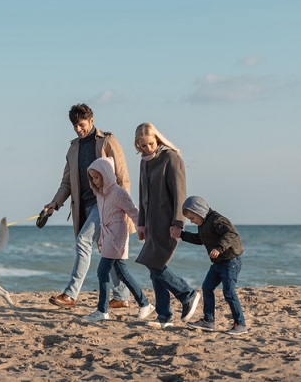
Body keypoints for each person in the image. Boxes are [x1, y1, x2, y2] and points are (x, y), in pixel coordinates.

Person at [44, 103, 130, 309]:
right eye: (75, 126)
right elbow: (66, 182)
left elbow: (122, 177)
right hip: (83, 207)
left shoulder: (107, 141)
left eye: (82, 125)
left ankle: (71, 294)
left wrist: (123, 207)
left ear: (91, 121)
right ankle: (121, 296)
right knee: (107, 248)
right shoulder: (73, 148)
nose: (78, 129)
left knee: (83, 241)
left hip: (106, 204)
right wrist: (55, 202)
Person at [133, 122, 200, 327]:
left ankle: (187, 294)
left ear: (157, 140)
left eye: (150, 144)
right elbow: (142, 194)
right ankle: (164, 317)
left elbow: (180, 193)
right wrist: (141, 223)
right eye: (142, 146)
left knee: (155, 263)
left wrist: (178, 222)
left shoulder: (171, 158)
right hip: (150, 225)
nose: (147, 149)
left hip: (167, 222)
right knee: (154, 267)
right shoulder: (144, 162)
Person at [83, 157, 155, 322]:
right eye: (92, 178)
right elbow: (102, 218)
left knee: (103, 271)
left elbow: (133, 211)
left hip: (118, 235)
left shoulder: (118, 192)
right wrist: (101, 240)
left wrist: (140, 229)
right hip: (108, 235)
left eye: (97, 177)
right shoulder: (100, 195)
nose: (94, 180)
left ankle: (102, 310)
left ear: (106, 174)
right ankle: (144, 303)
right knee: (122, 273)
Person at [179, 196, 248, 335]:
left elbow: (231, 234)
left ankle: (240, 324)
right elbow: (200, 239)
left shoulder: (217, 220)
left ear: (199, 212)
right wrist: (181, 235)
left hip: (230, 262)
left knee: (229, 292)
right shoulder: (203, 225)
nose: (192, 222)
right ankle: (208, 321)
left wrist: (219, 248)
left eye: (192, 218)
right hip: (217, 264)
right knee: (207, 287)